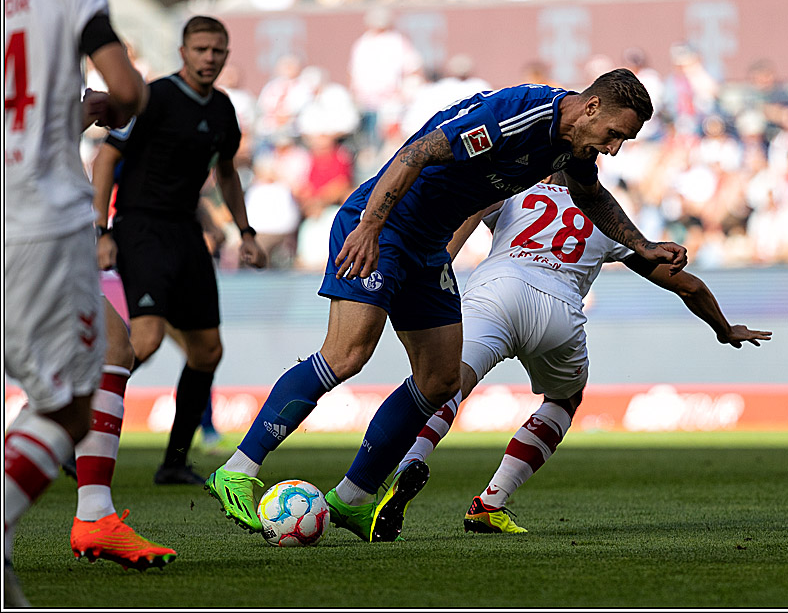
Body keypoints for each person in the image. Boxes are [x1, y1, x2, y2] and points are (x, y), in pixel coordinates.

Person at [206, 68, 687, 542]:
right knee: (346, 354)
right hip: (384, 227)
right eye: (614, 135)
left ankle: (352, 498)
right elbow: (416, 153)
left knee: (439, 381)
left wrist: (641, 244)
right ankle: (237, 470)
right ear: (592, 107)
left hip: (427, 246)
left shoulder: (569, 142)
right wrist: (371, 227)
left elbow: (590, 195)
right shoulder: (517, 116)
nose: (614, 147)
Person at [393, 171, 771, 534]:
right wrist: (724, 329)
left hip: (495, 291)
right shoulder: (608, 217)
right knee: (564, 399)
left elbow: (463, 208)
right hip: (557, 310)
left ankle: (409, 461)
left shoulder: (515, 192)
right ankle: (490, 504)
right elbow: (687, 286)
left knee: (447, 383)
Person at [4, 0, 149, 604]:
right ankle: (83, 517)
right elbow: (125, 88)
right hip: (38, 219)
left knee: (101, 352)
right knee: (70, 402)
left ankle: (85, 520)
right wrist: (112, 102)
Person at [91, 16, 268, 486]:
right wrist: (100, 230)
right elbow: (107, 156)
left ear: (227, 55)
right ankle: (75, 426)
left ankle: (173, 461)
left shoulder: (224, 110)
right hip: (141, 227)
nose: (209, 58)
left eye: (218, 51)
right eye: (201, 49)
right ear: (183, 52)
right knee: (144, 339)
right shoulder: (153, 97)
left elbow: (226, 173)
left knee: (207, 351)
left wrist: (246, 232)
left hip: (187, 233)